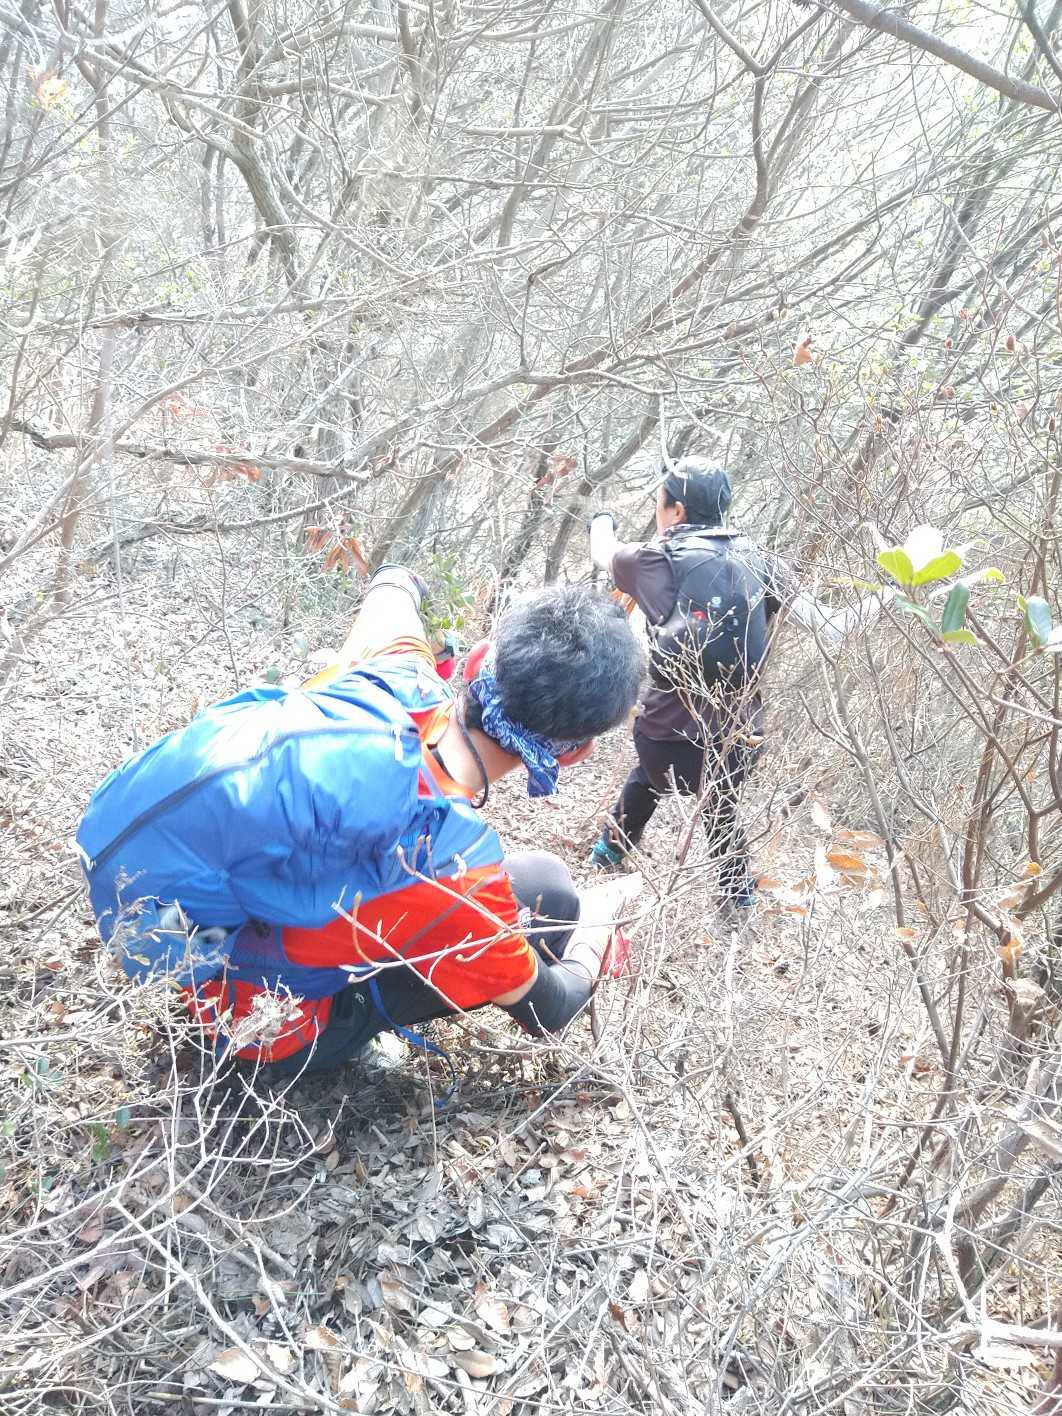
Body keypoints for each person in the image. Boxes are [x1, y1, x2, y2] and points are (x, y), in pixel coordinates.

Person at [80, 571, 645, 1079]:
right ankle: (337, 1041)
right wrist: (600, 919)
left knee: (532, 882)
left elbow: (391, 590)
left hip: (185, 941)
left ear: (477, 661)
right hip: (271, 1035)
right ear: (575, 753)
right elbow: (552, 1009)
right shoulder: (461, 877)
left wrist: (406, 581)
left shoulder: (391, 672)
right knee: (554, 894)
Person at [587, 458, 888, 908]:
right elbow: (834, 627)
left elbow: (603, 550)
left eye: (660, 503)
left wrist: (602, 518)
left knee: (649, 777)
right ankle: (737, 893)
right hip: (740, 737)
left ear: (677, 511)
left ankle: (610, 850)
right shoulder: (761, 561)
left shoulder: (656, 559)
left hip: (664, 735)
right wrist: (893, 593)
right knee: (721, 804)